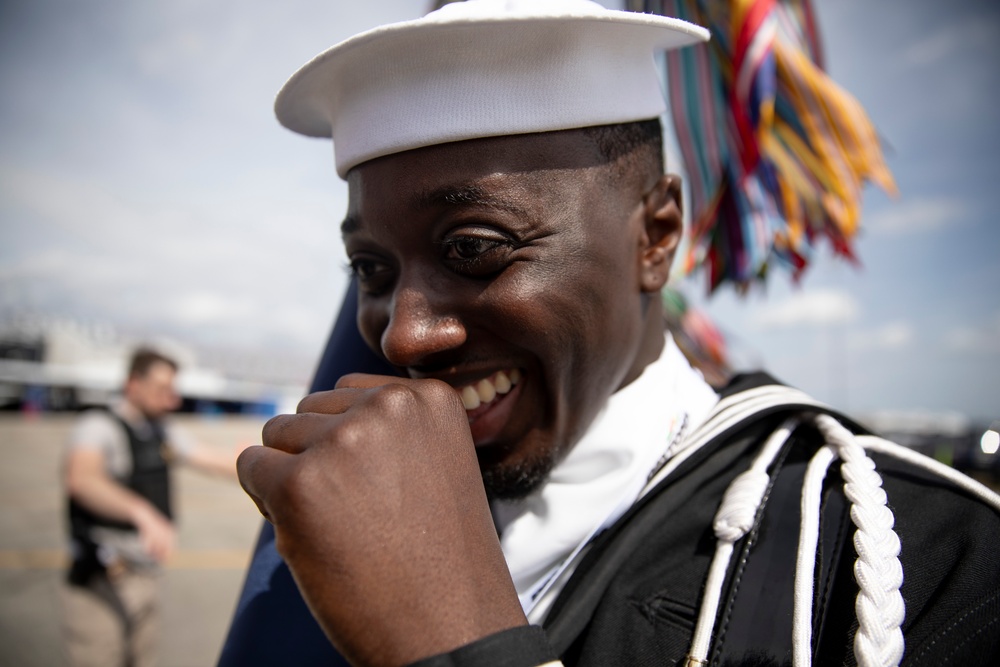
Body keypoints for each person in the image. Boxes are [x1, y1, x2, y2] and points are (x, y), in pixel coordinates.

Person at [223, 2, 1000, 666]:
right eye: (371, 266)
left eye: (474, 248)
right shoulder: (345, 504)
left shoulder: (921, 559)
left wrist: (458, 646)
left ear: (657, 236)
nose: (403, 336)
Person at [62, 346, 245, 667]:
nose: (171, 399)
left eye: (173, 389)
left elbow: (215, 461)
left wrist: (255, 463)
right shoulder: (98, 425)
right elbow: (82, 479)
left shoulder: (161, 432)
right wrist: (140, 512)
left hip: (145, 577)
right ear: (133, 384)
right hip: (102, 582)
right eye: (162, 389)